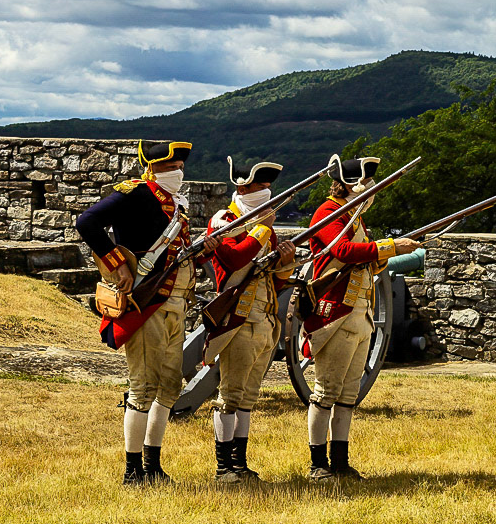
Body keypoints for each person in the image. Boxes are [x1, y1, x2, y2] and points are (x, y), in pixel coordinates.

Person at [76, 140, 218, 486]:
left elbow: (175, 259)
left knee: (168, 386)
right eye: (170, 167)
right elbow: (87, 222)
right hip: (146, 306)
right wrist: (117, 266)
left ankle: (152, 464)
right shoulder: (136, 193)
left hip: (175, 306)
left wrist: (202, 253)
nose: (177, 172)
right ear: (152, 168)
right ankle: (132, 470)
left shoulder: (176, 205)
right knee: (143, 387)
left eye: (180, 167)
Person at [302, 155, 421, 482]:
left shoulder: (354, 217)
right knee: (325, 392)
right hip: (335, 314)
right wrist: (391, 246)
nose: (370, 189)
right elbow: (343, 252)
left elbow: (367, 260)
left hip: (361, 314)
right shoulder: (328, 212)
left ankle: (340, 460)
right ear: (349, 184)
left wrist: (384, 256)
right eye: (365, 182)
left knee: (348, 394)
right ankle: (317, 464)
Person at [204, 157, 296, 485]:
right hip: (238, 319)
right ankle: (223, 466)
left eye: (268, 186)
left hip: (266, 319)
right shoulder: (225, 219)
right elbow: (234, 257)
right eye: (261, 185)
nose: (267, 190)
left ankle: (239, 464)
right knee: (230, 395)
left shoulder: (261, 224)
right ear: (243, 186)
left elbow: (277, 280)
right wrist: (263, 227)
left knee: (249, 397)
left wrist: (286, 260)